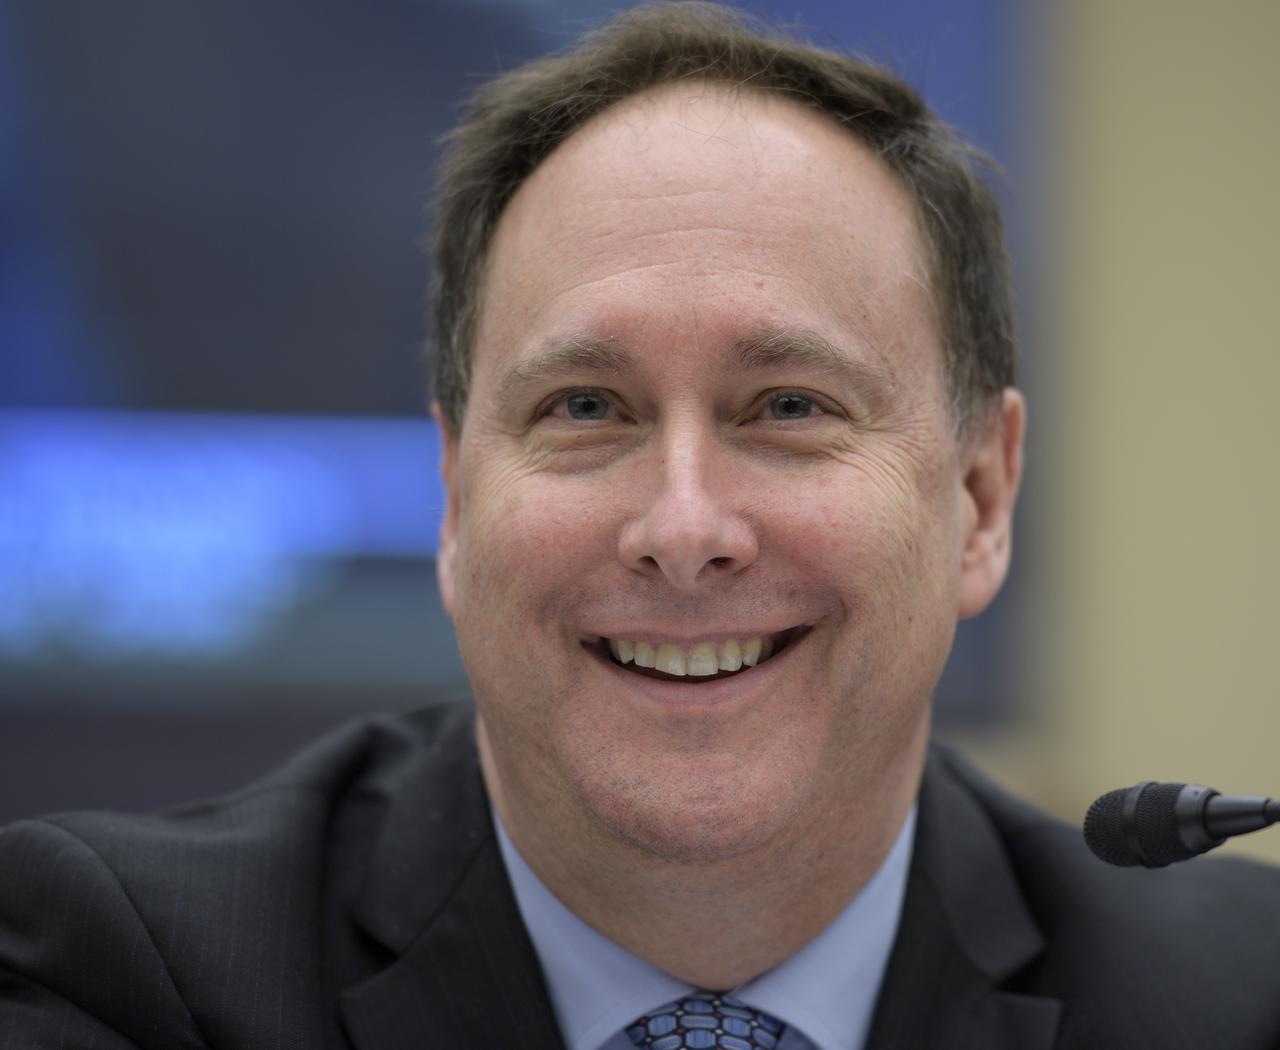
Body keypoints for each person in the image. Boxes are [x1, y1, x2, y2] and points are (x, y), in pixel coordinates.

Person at [3, 4, 1279, 1047]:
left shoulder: (1232, 1004)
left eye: (787, 406)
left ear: (980, 500)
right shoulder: (125, 975)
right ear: (455, 502)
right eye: (584, 408)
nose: (682, 527)